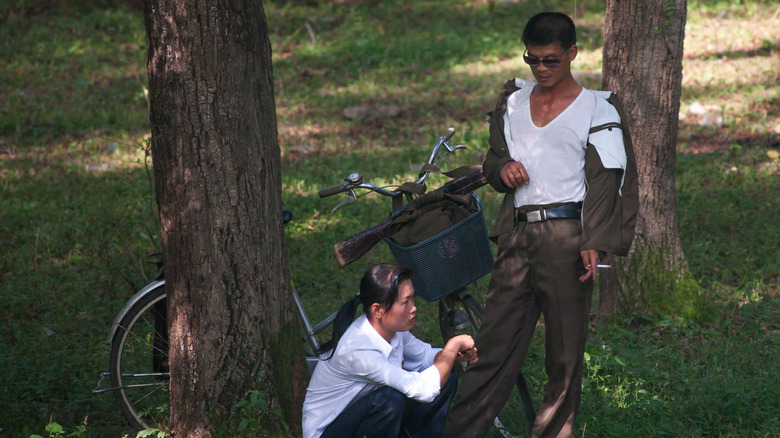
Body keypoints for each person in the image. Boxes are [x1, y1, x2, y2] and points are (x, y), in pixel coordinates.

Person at [443, 11, 638, 438]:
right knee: (492, 346)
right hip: (518, 235)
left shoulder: (596, 107)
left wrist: (596, 241)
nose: (541, 69)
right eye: (532, 60)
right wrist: (503, 169)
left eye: (551, 60)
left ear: (571, 54)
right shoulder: (513, 100)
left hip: (568, 238)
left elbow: (609, 181)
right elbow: (493, 161)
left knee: (564, 355)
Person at [302, 263, 479, 438]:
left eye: (412, 298)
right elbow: (423, 389)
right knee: (389, 401)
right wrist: (451, 347)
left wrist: (451, 356)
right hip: (328, 432)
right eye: (405, 302)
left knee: (445, 379)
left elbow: (425, 357)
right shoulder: (358, 351)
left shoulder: (391, 330)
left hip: (363, 418)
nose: (414, 307)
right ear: (377, 310)